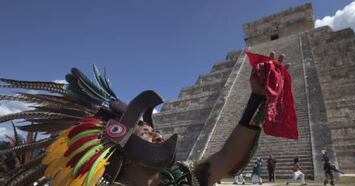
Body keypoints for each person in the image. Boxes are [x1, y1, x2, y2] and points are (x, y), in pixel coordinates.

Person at [0, 52, 294, 186]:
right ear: (122, 152)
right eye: (142, 130)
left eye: (150, 128)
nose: (157, 134)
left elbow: (229, 158)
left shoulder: (180, 178)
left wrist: (257, 97)